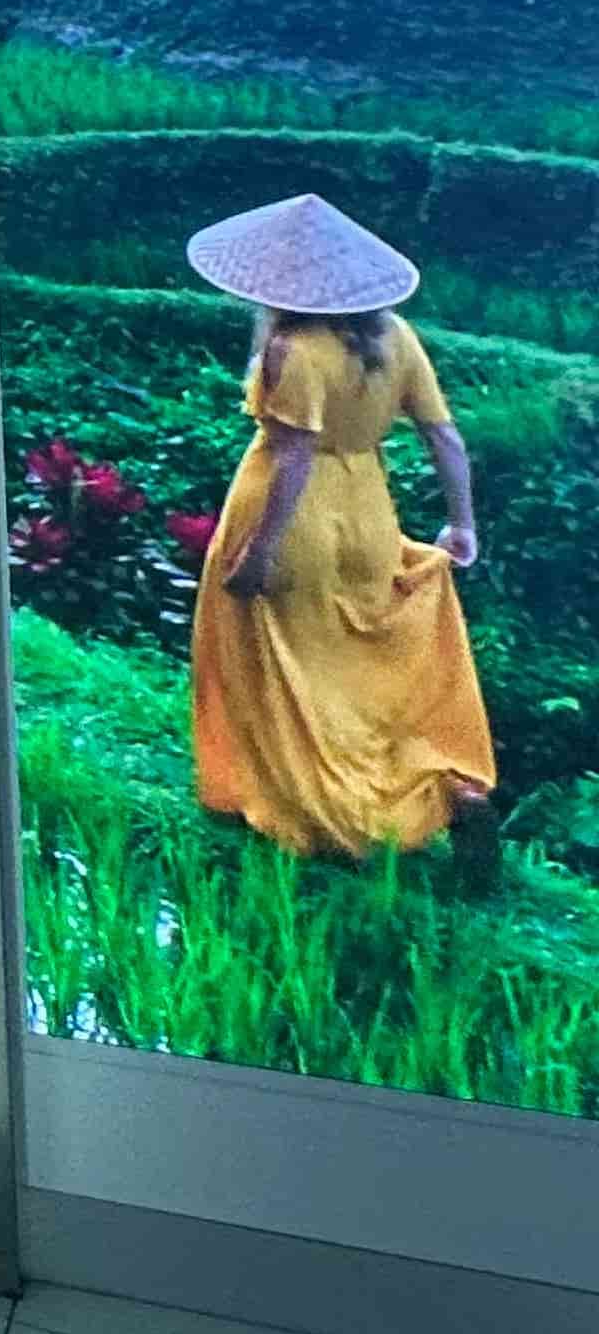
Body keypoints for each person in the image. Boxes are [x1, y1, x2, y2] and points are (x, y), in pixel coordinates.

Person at [182, 193, 495, 865]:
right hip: (368, 515)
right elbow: (444, 436)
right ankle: (434, 792)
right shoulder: (395, 337)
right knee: (352, 666)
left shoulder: (293, 351)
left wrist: (260, 553)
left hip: (290, 520)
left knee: (279, 666)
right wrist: (462, 524)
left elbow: (293, 459)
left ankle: (326, 813)